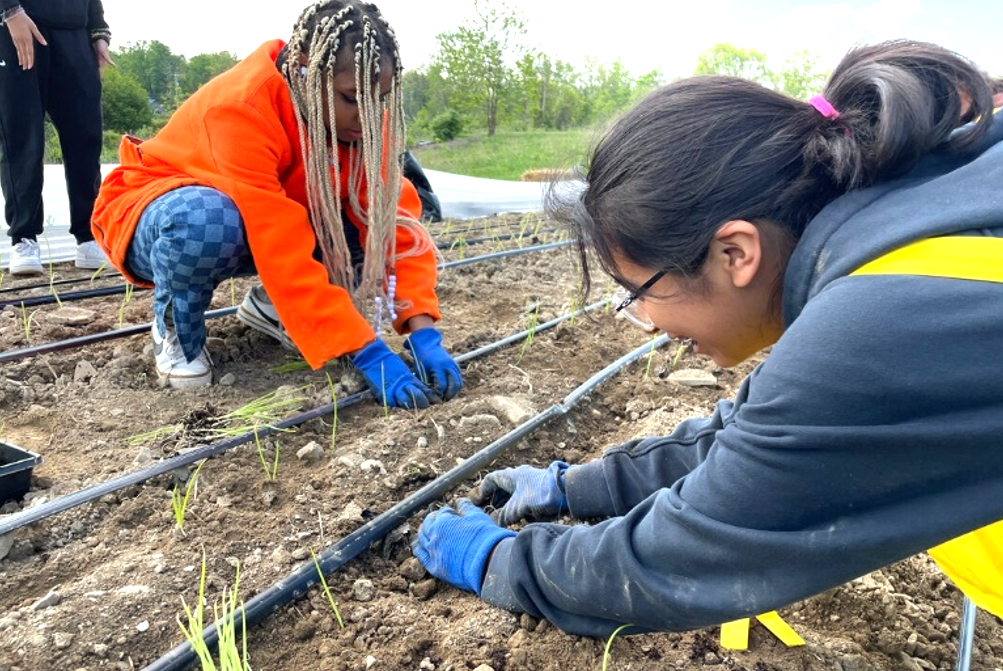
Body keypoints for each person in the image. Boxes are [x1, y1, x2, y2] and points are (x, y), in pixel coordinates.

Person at [412, 39, 1003, 637]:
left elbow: (686, 556)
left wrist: (496, 559)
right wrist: (574, 487)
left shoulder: (877, 322)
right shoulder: (910, 228)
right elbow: (760, 436)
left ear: (735, 253)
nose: (645, 323)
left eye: (641, 290)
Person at [91, 0, 462, 406]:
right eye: (352, 98)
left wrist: (422, 328)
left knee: (356, 220)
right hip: (162, 210)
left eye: (381, 99)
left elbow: (395, 225)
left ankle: (274, 309)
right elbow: (278, 240)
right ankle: (177, 328)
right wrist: (365, 349)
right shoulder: (243, 107)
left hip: (262, 214)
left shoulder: (364, 122)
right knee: (206, 223)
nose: (368, 115)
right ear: (306, 67)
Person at [0, 0, 112, 275]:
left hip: (74, 29)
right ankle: (23, 238)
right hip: (17, 23)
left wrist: (98, 30)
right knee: (22, 137)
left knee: (85, 135)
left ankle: (88, 236)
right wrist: (10, 10)